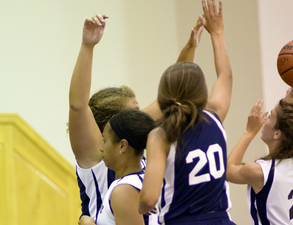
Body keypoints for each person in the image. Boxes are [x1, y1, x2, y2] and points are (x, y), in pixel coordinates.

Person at [69, 14, 204, 220]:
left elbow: (171, 95)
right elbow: (78, 106)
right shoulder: (97, 154)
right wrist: (88, 46)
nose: (140, 116)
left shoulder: (134, 142)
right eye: (133, 112)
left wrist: (190, 47)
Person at [138, 0, 235, 224]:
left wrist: (142, 204)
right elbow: (225, 76)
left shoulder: (161, 135)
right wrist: (217, 33)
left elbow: (149, 199)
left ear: (163, 95)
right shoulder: (215, 116)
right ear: (201, 91)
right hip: (220, 219)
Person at [226, 87, 293, 225]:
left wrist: (249, 131)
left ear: (277, 133)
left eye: (270, 116)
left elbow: (228, 170)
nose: (264, 119)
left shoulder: (260, 172)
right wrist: (290, 98)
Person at [78, 109, 155, 225]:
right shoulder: (140, 180)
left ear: (122, 146)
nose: (101, 148)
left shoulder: (124, 190)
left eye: (104, 141)